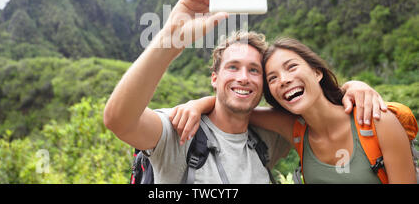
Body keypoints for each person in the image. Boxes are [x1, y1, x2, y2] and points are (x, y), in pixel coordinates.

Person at [104, 0, 385, 184]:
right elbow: (119, 120)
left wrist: (352, 87)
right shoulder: (181, 130)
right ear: (214, 78)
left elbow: (321, 113)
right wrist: (170, 40)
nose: (243, 77)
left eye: (254, 70)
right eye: (233, 67)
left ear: (264, 85)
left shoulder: (271, 136)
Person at [171, 37, 416, 183]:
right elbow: (234, 106)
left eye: (291, 67)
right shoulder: (296, 130)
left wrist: (355, 85)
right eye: (273, 78)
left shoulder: (376, 121)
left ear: (317, 72)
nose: (284, 80)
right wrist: (197, 104)